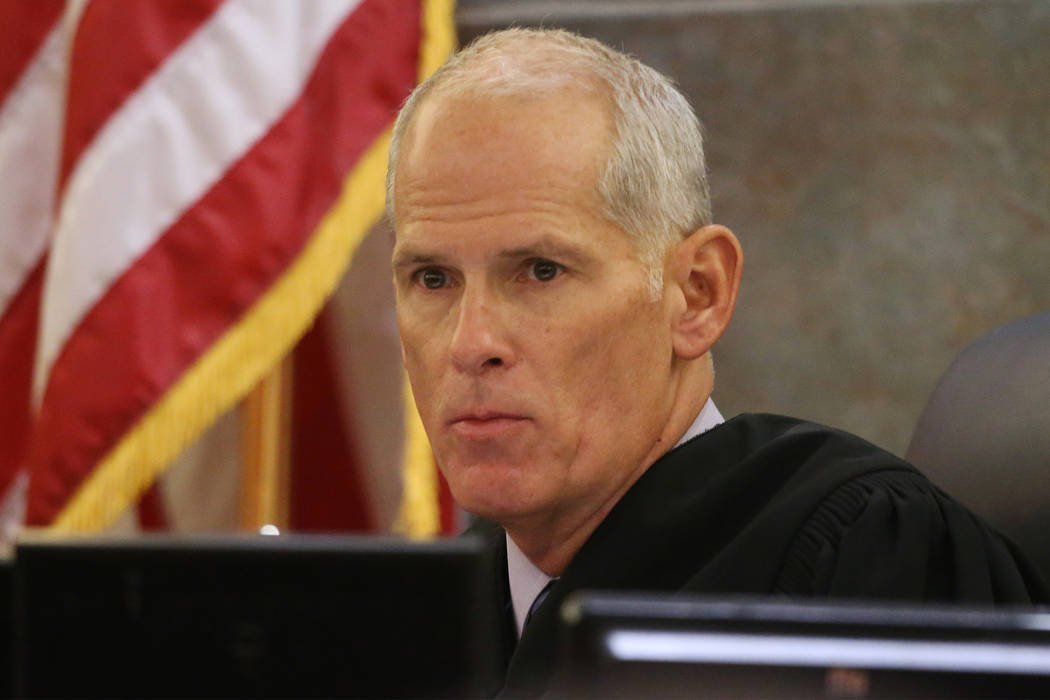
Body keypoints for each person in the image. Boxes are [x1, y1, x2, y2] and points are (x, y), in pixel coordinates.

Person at [385, 27, 1048, 696]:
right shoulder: (418, 620)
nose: (470, 344)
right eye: (432, 279)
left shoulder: (860, 553)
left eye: (541, 270)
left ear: (698, 293)